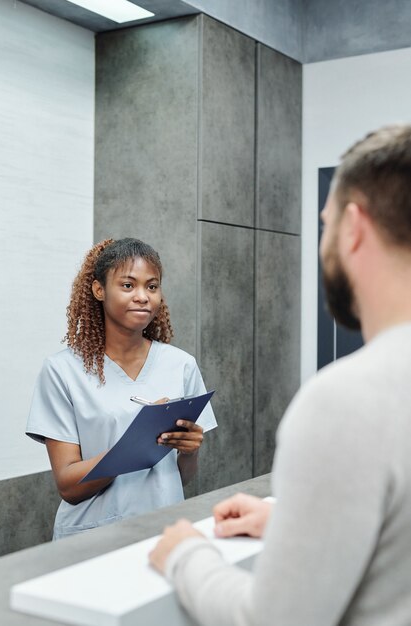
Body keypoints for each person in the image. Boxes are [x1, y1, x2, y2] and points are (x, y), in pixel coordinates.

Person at [149, 124, 411, 625]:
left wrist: (185, 553)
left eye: (325, 223)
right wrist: (302, 527)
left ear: (353, 228)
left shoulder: (346, 401)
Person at [26, 238, 217, 540]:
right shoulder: (62, 371)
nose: (143, 297)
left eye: (152, 287)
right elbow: (67, 486)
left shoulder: (181, 365)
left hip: (163, 533)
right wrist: (132, 447)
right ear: (99, 290)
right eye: (128, 285)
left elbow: (181, 477)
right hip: (92, 537)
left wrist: (190, 452)